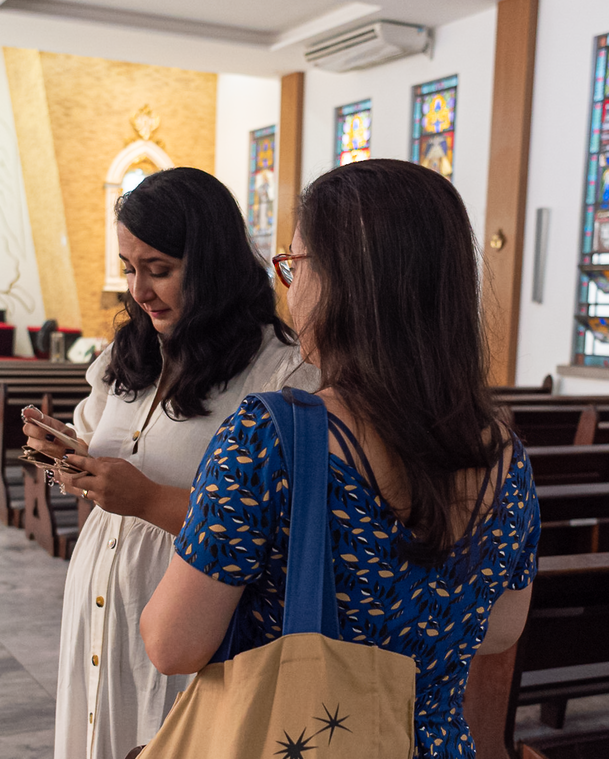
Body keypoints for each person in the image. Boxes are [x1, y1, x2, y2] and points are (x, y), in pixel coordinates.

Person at [140, 159, 540, 758]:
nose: (289, 287)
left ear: (342, 282)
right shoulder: (504, 457)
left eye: (295, 264)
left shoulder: (270, 437)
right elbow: (500, 629)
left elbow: (172, 645)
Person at [22, 167, 318, 759]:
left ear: (212, 265)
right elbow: (105, 450)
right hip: (102, 589)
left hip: (191, 610)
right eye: (129, 268)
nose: (139, 290)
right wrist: (71, 457)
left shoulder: (281, 373)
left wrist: (146, 499)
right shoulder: (128, 353)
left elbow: (284, 529)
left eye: (158, 270)